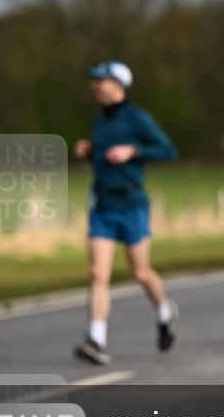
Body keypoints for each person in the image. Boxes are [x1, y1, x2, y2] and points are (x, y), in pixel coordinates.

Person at [73, 61, 179, 365]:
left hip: (132, 205)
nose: (95, 86)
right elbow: (105, 160)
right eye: (94, 80)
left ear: (118, 85)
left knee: (140, 272)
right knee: (97, 273)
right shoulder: (99, 121)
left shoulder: (137, 119)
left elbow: (168, 151)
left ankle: (164, 310)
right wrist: (89, 153)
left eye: (101, 80)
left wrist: (134, 151)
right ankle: (97, 339)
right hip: (102, 205)